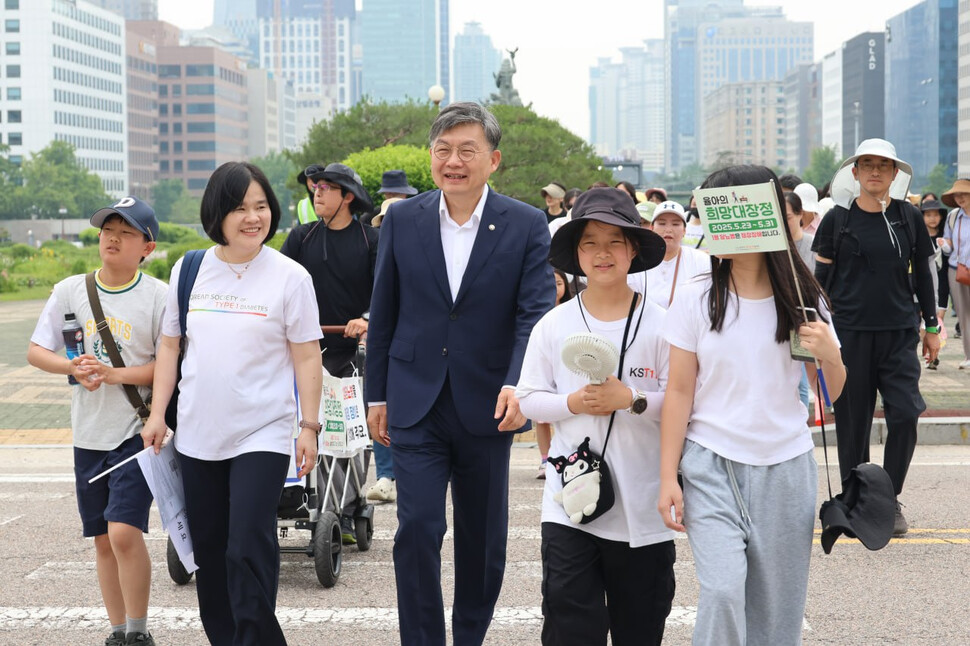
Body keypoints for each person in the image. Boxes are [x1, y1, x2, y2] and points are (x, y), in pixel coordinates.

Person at [365, 101, 555, 646]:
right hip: (414, 399)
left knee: (483, 539)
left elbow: (534, 316)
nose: (453, 161)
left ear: (492, 160)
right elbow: (385, 309)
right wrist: (376, 395)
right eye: (443, 150)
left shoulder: (526, 224)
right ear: (431, 157)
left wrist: (519, 384)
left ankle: (469, 635)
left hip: (489, 400)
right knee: (416, 529)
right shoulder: (403, 219)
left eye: (467, 150)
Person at [658, 165, 846, 646]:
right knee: (722, 591)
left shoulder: (802, 299)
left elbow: (833, 392)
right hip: (709, 465)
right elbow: (678, 391)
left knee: (777, 610)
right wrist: (667, 478)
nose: (724, 223)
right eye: (715, 211)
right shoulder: (696, 299)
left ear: (771, 215)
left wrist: (830, 354)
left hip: (786, 467)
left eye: (737, 208)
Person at [142, 162, 323, 646]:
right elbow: (170, 346)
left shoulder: (290, 277)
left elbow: (307, 354)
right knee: (210, 551)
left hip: (263, 431)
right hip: (198, 432)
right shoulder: (190, 269)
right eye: (241, 207)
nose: (253, 217)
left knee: (247, 544)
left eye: (261, 206)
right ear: (217, 213)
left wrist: (309, 426)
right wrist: (158, 415)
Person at [517, 187, 674, 646]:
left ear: (633, 249)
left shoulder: (664, 323)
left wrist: (632, 399)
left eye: (614, 242)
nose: (602, 253)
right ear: (577, 255)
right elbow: (528, 399)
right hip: (569, 502)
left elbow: (684, 404)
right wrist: (573, 403)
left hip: (644, 508)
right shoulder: (553, 324)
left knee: (639, 630)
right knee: (569, 627)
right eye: (590, 243)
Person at [28, 197, 166, 646]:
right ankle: (119, 631)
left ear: (147, 247)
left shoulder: (159, 296)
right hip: (88, 433)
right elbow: (37, 351)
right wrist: (72, 367)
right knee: (103, 539)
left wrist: (114, 374)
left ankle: (139, 631)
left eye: (126, 233)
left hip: (135, 431)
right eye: (108, 230)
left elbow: (169, 366)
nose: (113, 239)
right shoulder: (71, 290)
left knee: (124, 531)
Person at [813, 139, 940, 534]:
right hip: (849, 334)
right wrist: (816, 334)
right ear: (854, 172)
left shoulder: (908, 217)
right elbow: (821, 282)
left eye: (883, 165)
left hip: (899, 333)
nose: (874, 171)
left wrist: (931, 326)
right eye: (866, 164)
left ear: (894, 173)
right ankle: (856, 500)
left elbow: (924, 275)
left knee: (905, 413)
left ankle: (888, 499)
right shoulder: (837, 220)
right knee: (853, 423)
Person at [281, 162, 378, 539]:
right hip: (304, 352)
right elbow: (279, 285)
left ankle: (343, 508)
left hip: (351, 353)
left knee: (348, 435)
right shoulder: (301, 237)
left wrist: (366, 318)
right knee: (300, 429)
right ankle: (300, 501)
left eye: (326, 188)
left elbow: (386, 291)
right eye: (316, 187)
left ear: (348, 196)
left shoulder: (371, 241)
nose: (317, 193)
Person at [532, 268, 573, 480]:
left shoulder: (573, 310)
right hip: (546, 367)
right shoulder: (537, 311)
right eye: (551, 284)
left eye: (559, 283)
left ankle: (565, 457)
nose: (555, 289)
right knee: (542, 419)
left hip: (566, 366)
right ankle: (545, 459)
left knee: (566, 412)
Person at [629, 200, 709, 310]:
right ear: (652, 228)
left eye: (675, 224)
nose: (668, 229)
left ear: (684, 230)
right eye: (662, 224)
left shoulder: (701, 261)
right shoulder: (637, 261)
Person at [786, 191, 817, 409]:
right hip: (780, 318)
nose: (783, 223)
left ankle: (803, 419)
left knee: (803, 378)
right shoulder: (773, 248)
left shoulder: (814, 245)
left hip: (805, 318)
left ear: (800, 215)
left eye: (787, 217)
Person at [940, 179, 970, 369]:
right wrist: (944, 244)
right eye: (957, 195)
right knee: (963, 314)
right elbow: (949, 244)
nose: (960, 198)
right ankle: (969, 355)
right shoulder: (953, 217)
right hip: (957, 270)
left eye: (964, 194)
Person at [920, 199, 949, 370]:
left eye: (935, 215)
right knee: (925, 324)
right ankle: (929, 356)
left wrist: (945, 244)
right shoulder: (918, 236)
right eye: (928, 215)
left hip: (942, 282)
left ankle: (934, 356)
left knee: (939, 319)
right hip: (926, 283)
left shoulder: (945, 236)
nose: (932, 218)